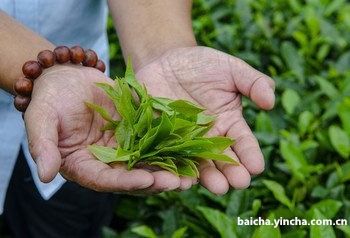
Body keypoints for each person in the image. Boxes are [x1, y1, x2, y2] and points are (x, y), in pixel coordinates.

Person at [0, 0, 275, 237]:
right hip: (74, 93)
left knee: (67, 222)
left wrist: (163, 47)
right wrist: (38, 70)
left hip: (84, 117)